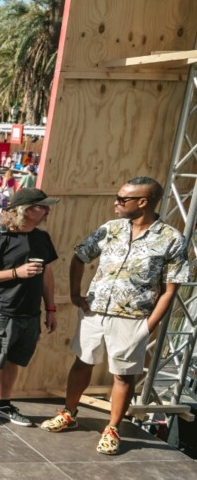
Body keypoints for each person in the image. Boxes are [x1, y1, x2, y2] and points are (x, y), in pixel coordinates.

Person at [41, 177, 188, 454]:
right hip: (94, 312)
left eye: (122, 199)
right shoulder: (110, 229)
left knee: (123, 374)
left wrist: (148, 326)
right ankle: (69, 413)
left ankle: (113, 428)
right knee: (82, 362)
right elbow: (79, 256)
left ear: (142, 202)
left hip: (133, 318)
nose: (115, 203)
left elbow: (170, 290)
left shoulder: (171, 239)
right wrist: (75, 294)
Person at [0, 188, 60, 428]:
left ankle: (3, 405)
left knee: (13, 361)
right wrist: (16, 273)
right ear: (27, 211)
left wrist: (51, 309)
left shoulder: (42, 238)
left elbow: (48, 275)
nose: (48, 210)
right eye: (43, 206)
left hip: (30, 313)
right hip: (1, 312)